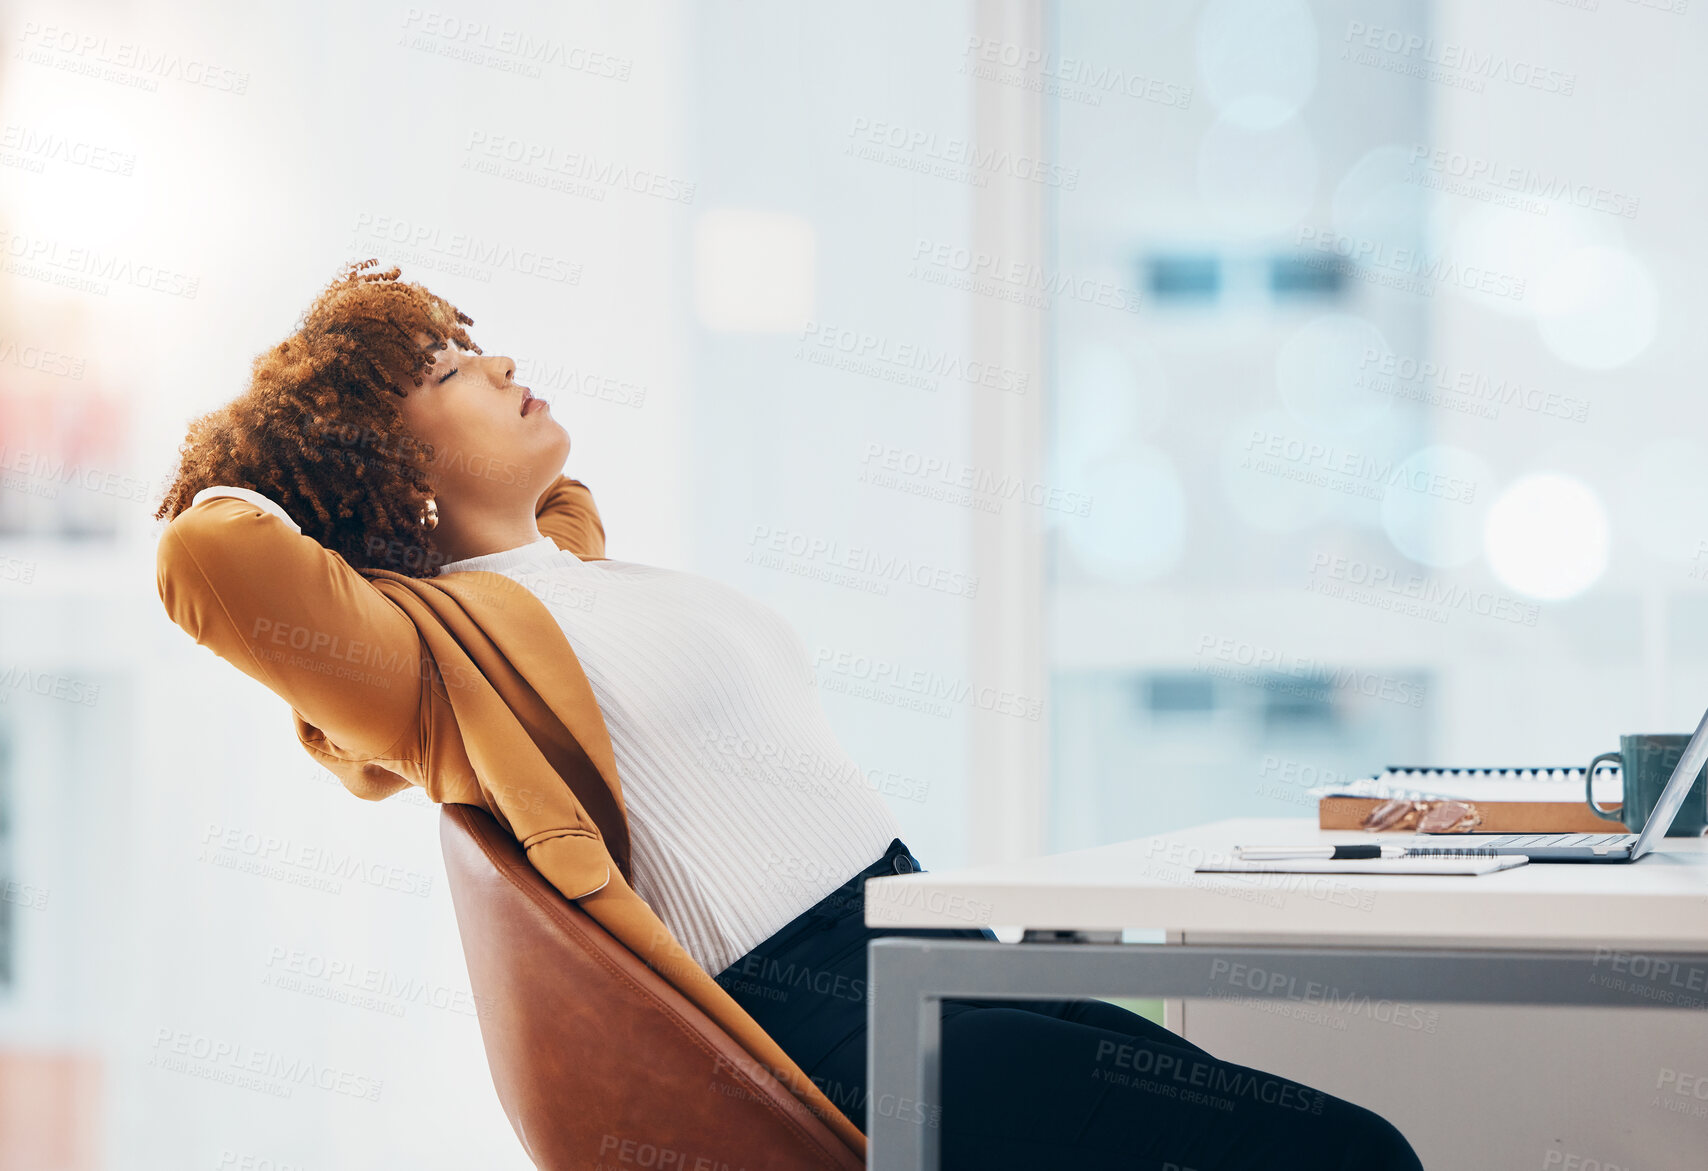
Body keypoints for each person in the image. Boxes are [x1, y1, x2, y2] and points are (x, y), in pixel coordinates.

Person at [155, 261, 1422, 1169]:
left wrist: (450, 450)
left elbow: (559, 504)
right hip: (823, 1026)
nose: (497, 360)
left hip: (935, 957)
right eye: (445, 370)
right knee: (1352, 1155)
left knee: (1349, 1140)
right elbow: (208, 558)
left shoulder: (571, 573)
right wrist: (287, 455)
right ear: (387, 463)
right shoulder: (446, 665)